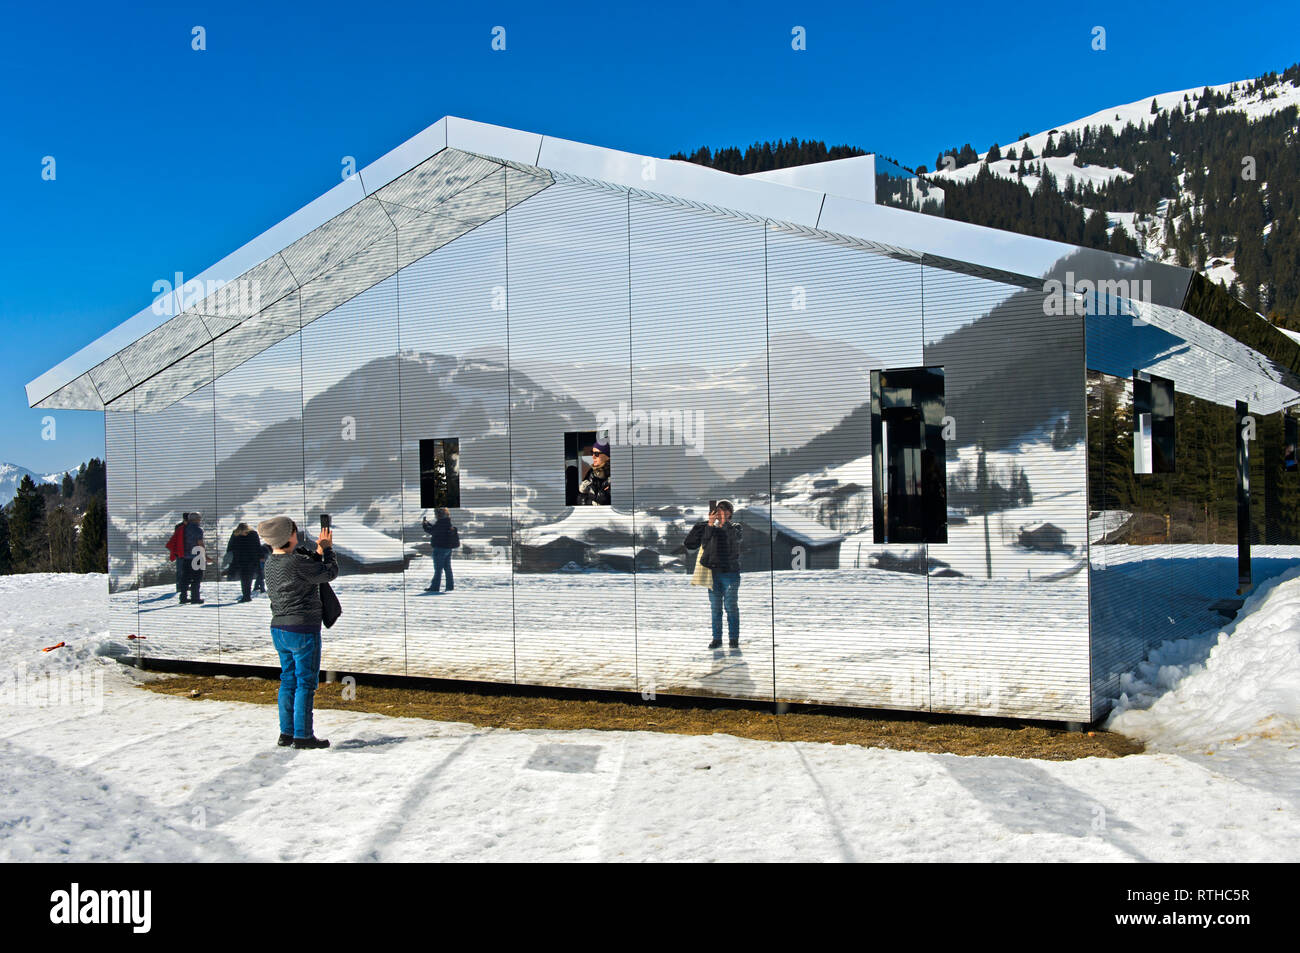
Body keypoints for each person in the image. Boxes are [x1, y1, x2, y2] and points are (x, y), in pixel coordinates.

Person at [258, 515, 338, 750]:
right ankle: (303, 736)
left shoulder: (271, 562)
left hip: (279, 629)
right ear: (290, 536)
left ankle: (287, 733)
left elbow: (304, 569)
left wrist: (317, 552)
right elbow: (329, 572)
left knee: (288, 680)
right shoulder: (296, 563)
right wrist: (328, 550)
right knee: (305, 683)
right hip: (303, 628)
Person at [684, 500, 743, 650]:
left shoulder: (736, 528)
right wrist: (710, 524)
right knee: (715, 609)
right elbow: (704, 544)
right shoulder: (709, 528)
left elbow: (732, 540)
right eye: (718, 510)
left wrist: (724, 523)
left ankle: (733, 639)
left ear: (730, 513)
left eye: (724, 510)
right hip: (713, 574)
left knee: (730, 607)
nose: (721, 513)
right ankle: (717, 638)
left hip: (730, 574)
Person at [422, 507, 459, 593]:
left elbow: (431, 530)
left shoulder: (440, 524)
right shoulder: (447, 522)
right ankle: (450, 587)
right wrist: (429, 524)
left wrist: (425, 524)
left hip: (439, 549)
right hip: (448, 549)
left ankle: (435, 587)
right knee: (447, 568)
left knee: (438, 569)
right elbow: (436, 529)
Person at [226, 523, 263, 602]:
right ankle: (246, 596)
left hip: (243, 559)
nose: (244, 534)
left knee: (245, 578)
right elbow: (258, 546)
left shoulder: (236, 534)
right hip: (248, 559)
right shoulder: (253, 534)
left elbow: (230, 547)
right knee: (246, 578)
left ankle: (246, 596)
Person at [181, 512, 206, 605]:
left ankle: (183, 597)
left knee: (185, 578)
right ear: (196, 519)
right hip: (196, 557)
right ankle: (195, 597)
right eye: (199, 518)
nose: (200, 520)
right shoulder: (198, 529)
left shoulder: (183, 528)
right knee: (196, 578)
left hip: (185, 556)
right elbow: (200, 543)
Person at [578, 439, 611, 505]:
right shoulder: (592, 472)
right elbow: (580, 498)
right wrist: (587, 500)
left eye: (596, 454)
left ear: (607, 456)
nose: (593, 456)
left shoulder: (615, 472)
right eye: (592, 453)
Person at [165, 513, 189, 597]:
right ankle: (181, 586)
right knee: (183, 570)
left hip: (180, 551)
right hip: (184, 551)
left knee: (181, 570)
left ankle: (181, 586)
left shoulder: (179, 526)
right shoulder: (184, 527)